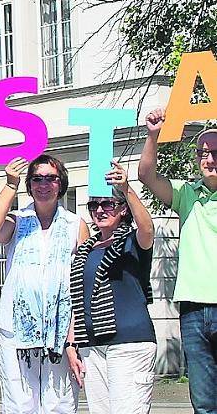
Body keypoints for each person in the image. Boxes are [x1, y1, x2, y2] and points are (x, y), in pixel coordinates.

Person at [0, 155, 87, 413]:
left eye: (50, 178)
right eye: (37, 179)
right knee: (19, 405)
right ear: (29, 185)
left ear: (60, 184)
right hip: (17, 330)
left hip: (60, 332)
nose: (43, 184)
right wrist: (10, 184)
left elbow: (83, 281)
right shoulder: (18, 220)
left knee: (59, 405)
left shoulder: (75, 224)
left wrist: (75, 337)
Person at [138, 109, 217, 414]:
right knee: (204, 404)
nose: (208, 160)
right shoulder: (187, 193)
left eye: (215, 153)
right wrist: (153, 134)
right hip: (193, 310)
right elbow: (146, 175)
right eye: (203, 153)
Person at [68, 161, 155, 414]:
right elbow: (80, 299)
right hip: (93, 345)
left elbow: (147, 227)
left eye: (108, 204)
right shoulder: (85, 249)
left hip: (129, 343)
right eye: (94, 205)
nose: (100, 210)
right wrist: (72, 344)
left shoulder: (132, 241)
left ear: (123, 210)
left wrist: (126, 188)